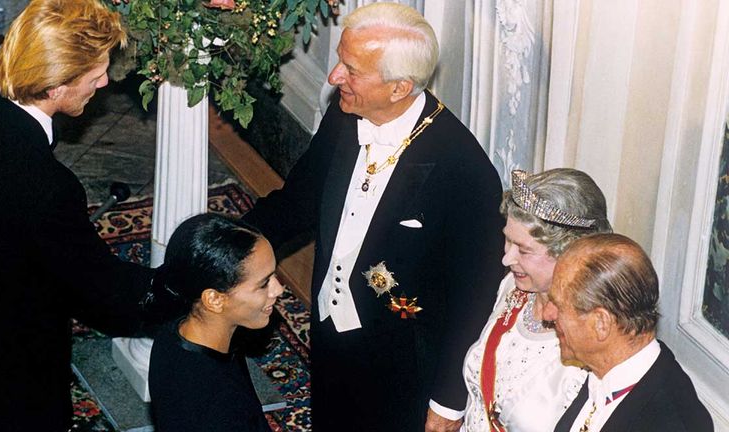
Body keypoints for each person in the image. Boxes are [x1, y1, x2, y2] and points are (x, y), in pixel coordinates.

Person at [243, 3, 505, 431]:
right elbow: (298, 202)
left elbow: (474, 296)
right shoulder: (344, 116)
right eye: (339, 62)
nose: (334, 77)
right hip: (330, 334)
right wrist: (225, 245)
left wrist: (448, 400)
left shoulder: (464, 171)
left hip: (406, 367)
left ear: (400, 87)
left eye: (351, 69)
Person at [0, 0, 155, 430]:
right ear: (54, 87)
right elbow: (104, 292)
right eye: (95, 74)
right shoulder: (50, 189)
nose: (104, 82)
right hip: (2, 373)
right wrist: (188, 288)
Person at [462, 169, 612, 431]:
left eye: (524, 250)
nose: (506, 259)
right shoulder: (513, 286)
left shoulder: (590, 338)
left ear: (570, 253)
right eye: (508, 240)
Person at [545, 233, 714, 432]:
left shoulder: (670, 423)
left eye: (558, 305)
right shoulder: (605, 370)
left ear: (601, 324)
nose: (547, 313)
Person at [147, 213, 283, 432]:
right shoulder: (216, 406)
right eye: (263, 284)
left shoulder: (175, 331)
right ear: (214, 299)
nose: (278, 289)